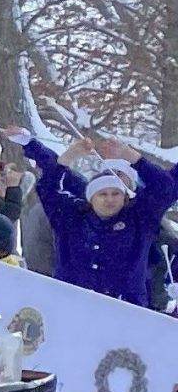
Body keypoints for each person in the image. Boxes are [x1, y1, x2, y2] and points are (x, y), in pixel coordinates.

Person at [12, 128, 178, 308]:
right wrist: (66, 156)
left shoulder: (140, 219)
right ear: (91, 198)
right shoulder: (71, 217)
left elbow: (165, 187)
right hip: (70, 305)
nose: (109, 199)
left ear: (125, 196)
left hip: (125, 311)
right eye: (103, 194)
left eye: (115, 194)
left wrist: (131, 156)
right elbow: (48, 188)